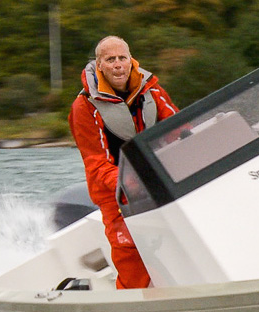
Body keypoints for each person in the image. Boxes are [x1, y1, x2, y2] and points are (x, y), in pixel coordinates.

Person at [68, 36, 179, 289]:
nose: (118, 64)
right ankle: (134, 301)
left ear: (131, 61)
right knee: (129, 250)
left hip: (161, 181)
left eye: (122, 58)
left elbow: (179, 129)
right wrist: (133, 183)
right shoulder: (84, 107)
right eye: (110, 59)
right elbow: (96, 165)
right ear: (99, 65)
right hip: (115, 195)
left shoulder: (153, 91)